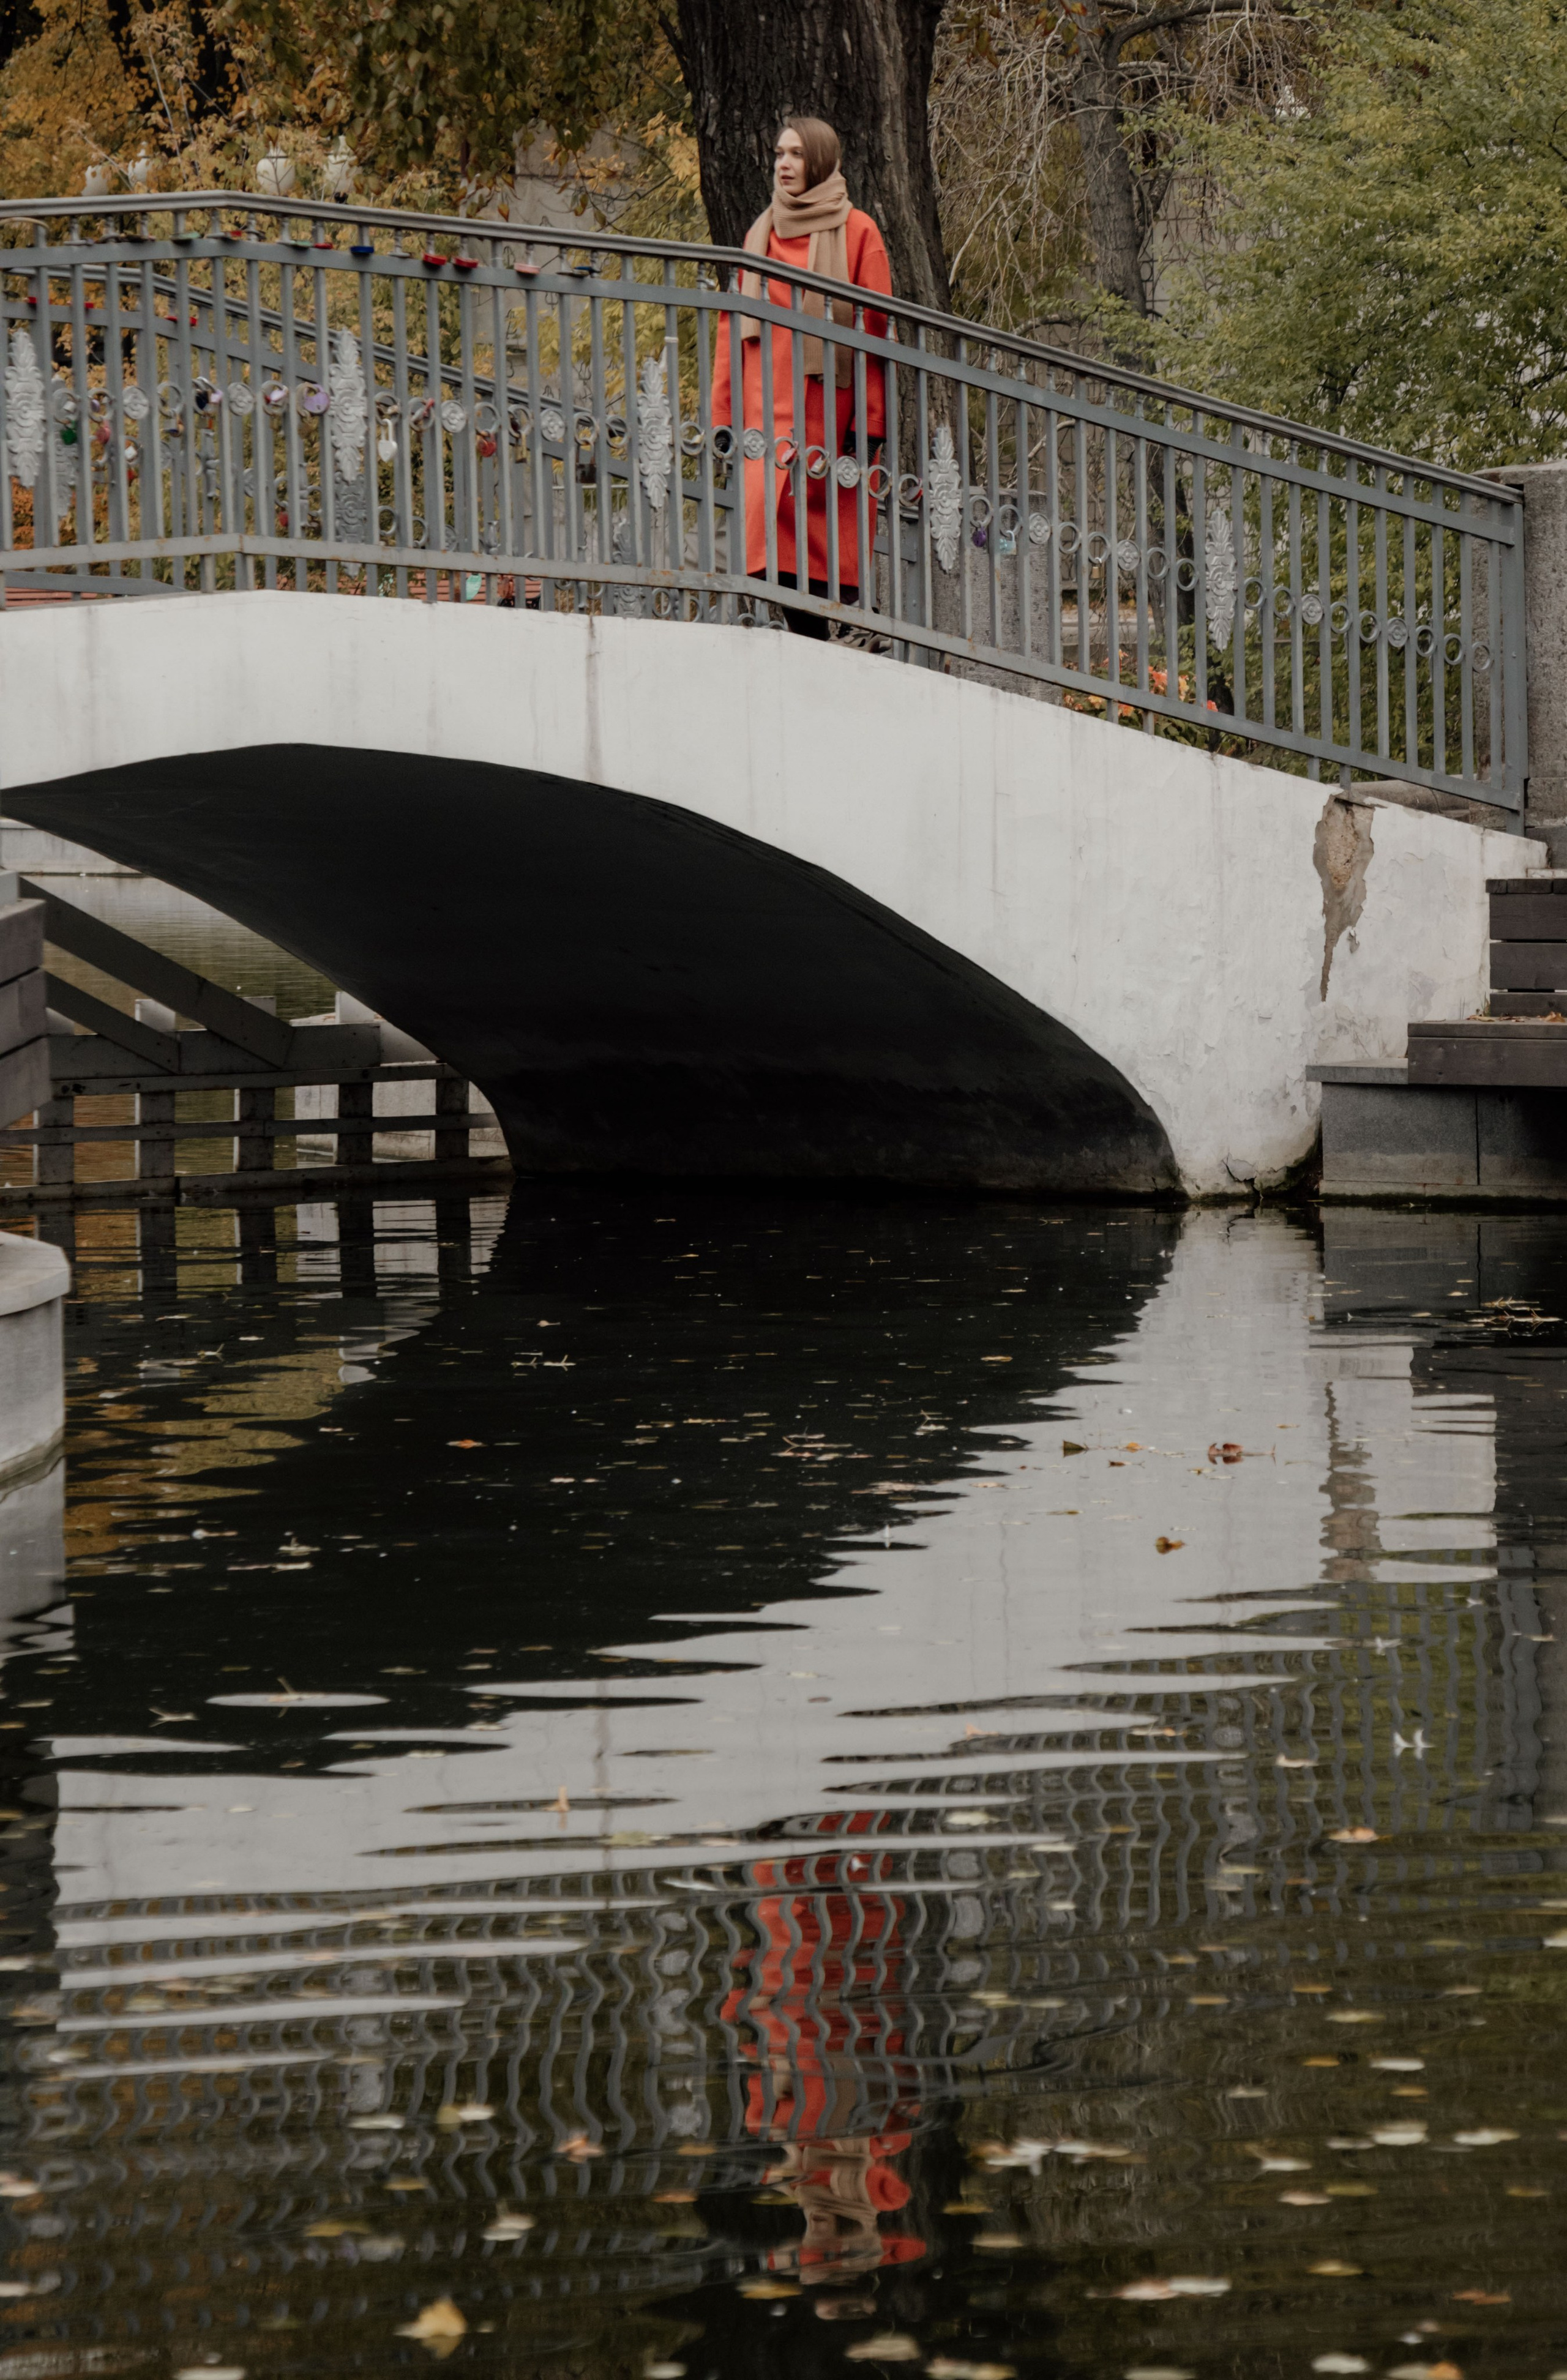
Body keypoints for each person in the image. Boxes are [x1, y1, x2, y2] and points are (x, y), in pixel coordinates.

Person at [711, 118, 891, 639]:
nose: (782, 165)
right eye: (778, 154)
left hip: (829, 418)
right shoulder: (761, 230)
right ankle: (823, 642)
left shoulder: (859, 231)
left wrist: (871, 419)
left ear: (818, 160)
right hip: (764, 416)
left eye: (794, 154)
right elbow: (732, 328)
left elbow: (876, 335)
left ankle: (836, 638)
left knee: (823, 549)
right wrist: (724, 414)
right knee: (768, 546)